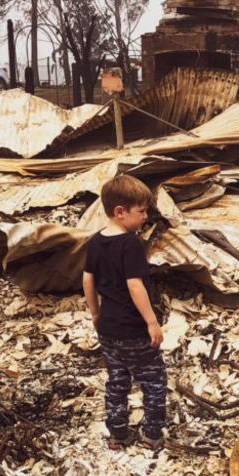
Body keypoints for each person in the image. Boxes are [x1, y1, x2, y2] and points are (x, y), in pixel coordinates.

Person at [83, 174, 167, 450]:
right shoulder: (130, 244)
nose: (145, 217)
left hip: (108, 328)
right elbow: (135, 285)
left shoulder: (95, 241)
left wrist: (95, 313)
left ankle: (118, 434)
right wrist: (152, 322)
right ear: (120, 212)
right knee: (153, 380)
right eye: (141, 211)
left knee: (117, 381)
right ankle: (152, 435)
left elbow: (87, 280)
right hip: (133, 329)